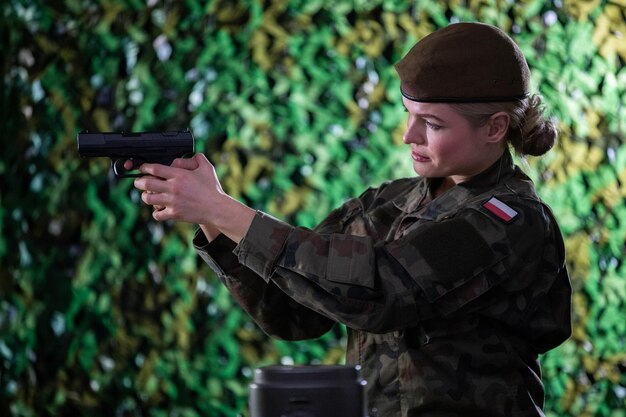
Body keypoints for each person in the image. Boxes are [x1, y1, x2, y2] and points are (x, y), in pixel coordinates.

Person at [131, 22, 572, 417]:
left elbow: (383, 292)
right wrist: (215, 219)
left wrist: (221, 209)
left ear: (495, 128)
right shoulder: (391, 202)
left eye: (432, 123)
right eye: (409, 115)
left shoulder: (513, 221)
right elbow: (292, 312)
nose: (408, 136)